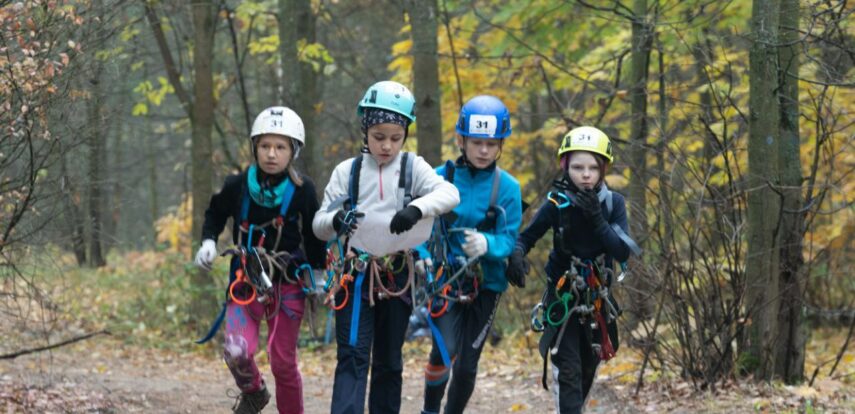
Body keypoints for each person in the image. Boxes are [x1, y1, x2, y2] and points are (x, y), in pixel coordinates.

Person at [312, 80, 459, 414]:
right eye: (379, 137)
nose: (387, 146)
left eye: (396, 137)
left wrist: (416, 209)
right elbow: (319, 224)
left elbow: (450, 195)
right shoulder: (347, 172)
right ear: (365, 130)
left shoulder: (412, 167)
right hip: (356, 274)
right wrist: (336, 221)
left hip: (397, 277)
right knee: (352, 354)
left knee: (390, 359)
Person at [194, 106, 326, 414]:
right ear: (255, 147)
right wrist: (209, 241)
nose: (271, 154)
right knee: (236, 350)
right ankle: (253, 392)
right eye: (265, 146)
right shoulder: (236, 186)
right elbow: (214, 213)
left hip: (289, 283)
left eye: (280, 147)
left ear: (293, 151)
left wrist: (317, 274)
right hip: (245, 282)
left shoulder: (302, 190)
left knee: (282, 361)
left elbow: (313, 233)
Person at [506, 126, 640, 414]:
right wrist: (516, 255)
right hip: (562, 298)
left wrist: (597, 219)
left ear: (603, 169)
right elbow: (527, 237)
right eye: (578, 167)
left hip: (597, 300)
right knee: (568, 370)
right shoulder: (557, 203)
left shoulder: (613, 203)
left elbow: (621, 251)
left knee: (587, 370)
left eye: (593, 167)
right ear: (565, 167)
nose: (586, 174)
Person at [416, 95, 522, 414]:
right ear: (461, 139)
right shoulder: (438, 177)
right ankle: (430, 409)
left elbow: (510, 238)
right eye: (476, 142)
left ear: (501, 144)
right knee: (445, 352)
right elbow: (419, 224)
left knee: (466, 366)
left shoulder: (508, 187)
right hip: (444, 281)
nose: (484, 151)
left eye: (491, 144)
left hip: (486, 285)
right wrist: (421, 254)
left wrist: (489, 245)